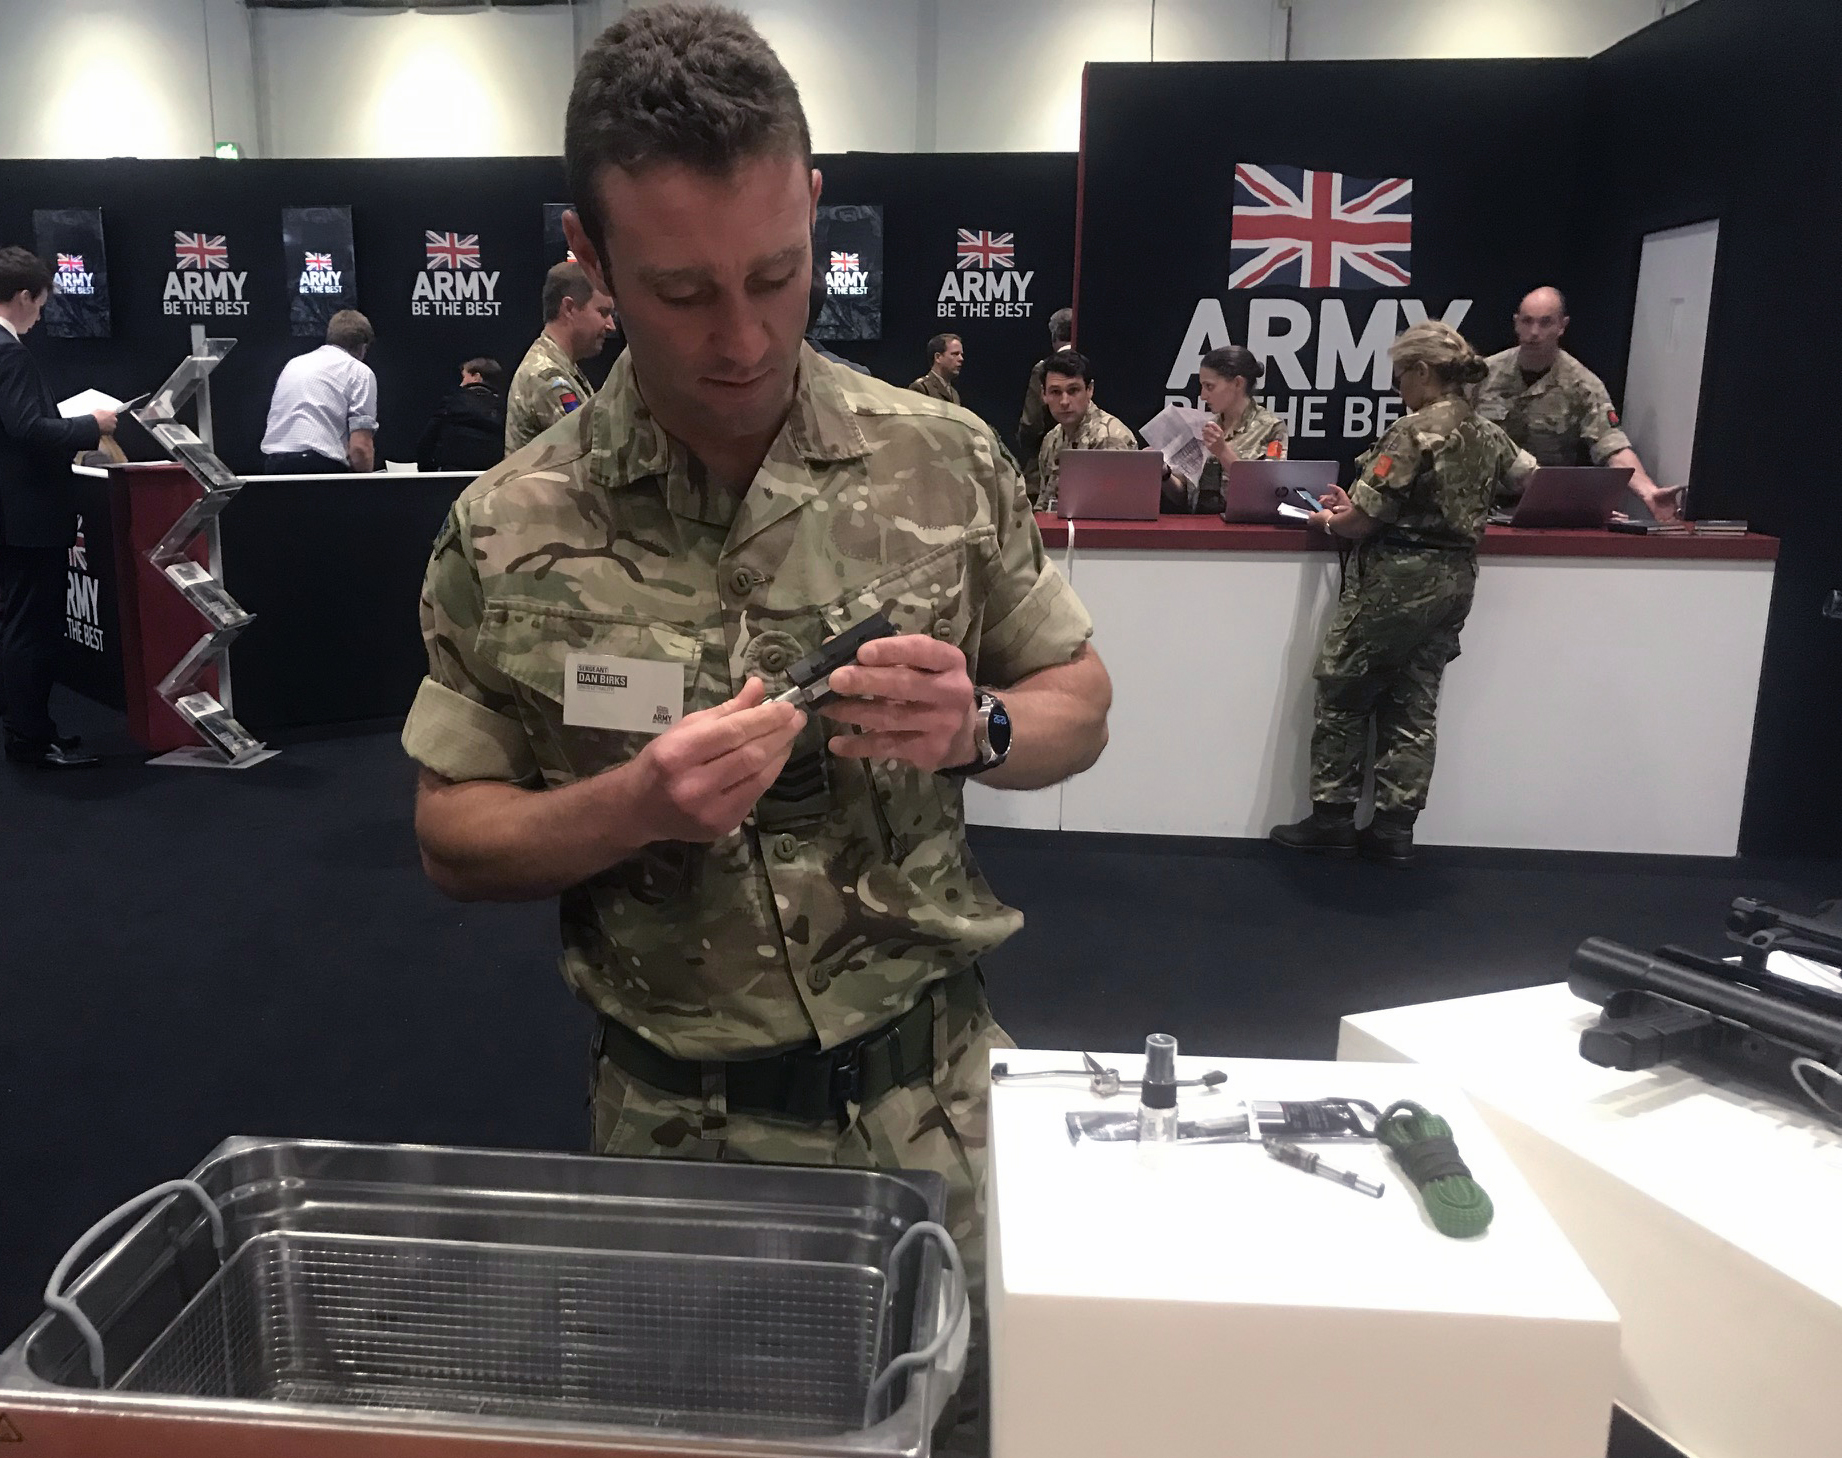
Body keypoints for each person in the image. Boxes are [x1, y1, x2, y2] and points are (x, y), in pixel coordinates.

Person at [401, 8, 1110, 1446]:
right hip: (679, 1139)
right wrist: (634, 805)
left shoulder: (942, 455)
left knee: (961, 1428)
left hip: (935, 1103)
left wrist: (973, 722)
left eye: (778, 276)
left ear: (813, 214)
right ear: (589, 261)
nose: (741, 336)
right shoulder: (509, 525)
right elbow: (451, 838)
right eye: (678, 291)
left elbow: (1074, 703)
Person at [1271, 321, 1534, 868]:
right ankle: (1394, 827)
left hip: (1397, 582)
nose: (1397, 387)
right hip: (1454, 579)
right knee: (1414, 703)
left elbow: (1362, 524)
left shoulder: (1413, 432)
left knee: (1344, 690)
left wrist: (1328, 518)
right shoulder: (1486, 431)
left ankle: (1333, 819)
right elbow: (1526, 477)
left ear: (1420, 371)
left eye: (1399, 375)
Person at [0, 247, 113, 769]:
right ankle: (29, 734)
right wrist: (93, 424)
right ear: (24, 296)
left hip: (17, 515)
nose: (42, 315)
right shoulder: (10, 352)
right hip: (28, 517)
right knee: (31, 629)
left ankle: (27, 728)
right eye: (41, 304)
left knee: (19, 624)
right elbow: (28, 429)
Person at [1476, 286, 1682, 520]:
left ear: (1562, 326)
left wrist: (1649, 492)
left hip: (1545, 507)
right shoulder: (1482, 375)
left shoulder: (1582, 385)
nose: (1534, 332)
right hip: (1480, 504)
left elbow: (1611, 445)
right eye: (1527, 321)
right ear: (1516, 323)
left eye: (1545, 323)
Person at [504, 261, 617, 454]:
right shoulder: (547, 378)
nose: (611, 325)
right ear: (569, 308)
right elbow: (592, 457)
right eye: (603, 312)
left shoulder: (561, 369)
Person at [1163, 344, 1288, 514]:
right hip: (1197, 528)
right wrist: (1164, 472)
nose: (1202, 395)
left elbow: (1270, 492)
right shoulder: (1203, 427)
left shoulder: (1272, 428)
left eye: (1209, 386)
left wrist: (1223, 452)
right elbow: (1183, 496)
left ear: (1237, 383)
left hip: (1245, 530)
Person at [259, 309, 378, 474]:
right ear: (363, 347)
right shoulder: (359, 371)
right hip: (319, 469)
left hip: (274, 467)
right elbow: (360, 449)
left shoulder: (294, 363)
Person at [1033, 348, 1138, 511]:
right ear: (1044, 395)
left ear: (1090, 390)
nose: (1064, 401)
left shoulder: (1110, 437)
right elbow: (1043, 504)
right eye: (1055, 392)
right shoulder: (1051, 439)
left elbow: (1114, 514)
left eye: (1073, 390)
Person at [1016, 307, 1072, 499]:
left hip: (1045, 470)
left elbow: (1032, 422)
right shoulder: (1091, 365)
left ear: (1054, 335)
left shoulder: (1044, 369)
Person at [416, 357, 506, 472]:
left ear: (476, 377)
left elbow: (428, 440)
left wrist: (427, 472)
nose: (461, 383)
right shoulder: (505, 407)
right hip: (493, 477)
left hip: (453, 477)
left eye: (464, 377)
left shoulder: (452, 402)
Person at [908, 333, 963, 403]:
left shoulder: (954, 394)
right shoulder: (922, 387)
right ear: (938, 357)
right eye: (955, 354)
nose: (961, 359)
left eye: (961, 354)